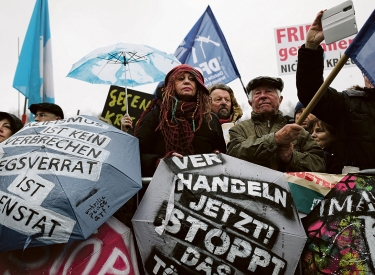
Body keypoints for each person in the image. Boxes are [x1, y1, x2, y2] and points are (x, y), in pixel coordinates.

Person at [297, 10, 375, 173]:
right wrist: (311, 48)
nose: (371, 74)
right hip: (356, 192)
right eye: (368, 69)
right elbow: (311, 93)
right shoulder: (349, 103)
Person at [135, 64, 227, 177]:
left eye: (192, 79)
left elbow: (223, 153)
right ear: (171, 86)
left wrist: (217, 156)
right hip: (163, 184)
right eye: (181, 78)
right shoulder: (155, 116)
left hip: (202, 186)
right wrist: (159, 162)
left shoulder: (210, 118)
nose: (187, 82)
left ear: (198, 86)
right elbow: (137, 153)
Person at [227, 76, 325, 172]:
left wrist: (291, 157)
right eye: (257, 93)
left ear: (280, 99)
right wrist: (275, 139)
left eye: (269, 91)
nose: (263, 96)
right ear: (250, 103)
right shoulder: (238, 129)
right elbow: (233, 156)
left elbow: (319, 165)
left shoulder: (298, 131)